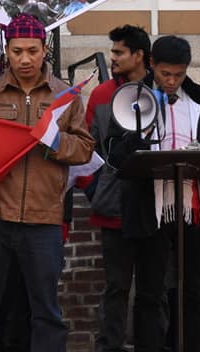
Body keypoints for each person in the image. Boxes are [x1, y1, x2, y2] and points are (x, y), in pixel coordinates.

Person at [0, 15, 94, 352]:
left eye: (32, 51)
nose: (24, 59)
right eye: (17, 51)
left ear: (44, 50)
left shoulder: (65, 95)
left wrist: (55, 141)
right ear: (7, 51)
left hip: (45, 219)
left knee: (46, 312)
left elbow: (84, 148)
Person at [107, 36, 200, 352]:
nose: (172, 81)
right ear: (151, 64)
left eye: (179, 74)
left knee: (193, 292)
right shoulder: (132, 99)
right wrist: (135, 141)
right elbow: (113, 155)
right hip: (150, 208)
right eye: (165, 74)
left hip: (194, 208)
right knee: (149, 292)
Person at [85, 25, 151, 352]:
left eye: (119, 52)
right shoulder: (100, 95)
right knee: (116, 287)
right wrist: (98, 189)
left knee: (154, 290)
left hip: (156, 208)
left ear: (139, 56)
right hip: (114, 209)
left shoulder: (161, 91)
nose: (113, 58)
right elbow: (86, 150)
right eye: (112, 52)